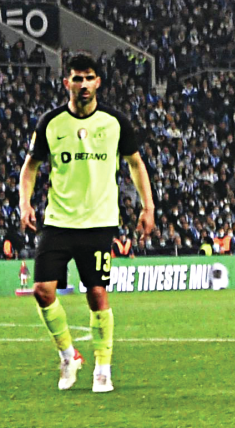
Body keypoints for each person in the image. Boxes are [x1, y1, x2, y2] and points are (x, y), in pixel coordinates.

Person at [18, 53, 156, 393]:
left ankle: (103, 369)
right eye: (76, 78)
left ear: (98, 83)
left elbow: (136, 164)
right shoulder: (50, 123)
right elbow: (30, 166)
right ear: (67, 82)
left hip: (99, 221)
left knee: (97, 293)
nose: (82, 84)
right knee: (42, 291)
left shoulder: (115, 122)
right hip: (59, 220)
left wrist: (147, 205)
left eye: (88, 78)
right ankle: (68, 355)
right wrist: (24, 203)